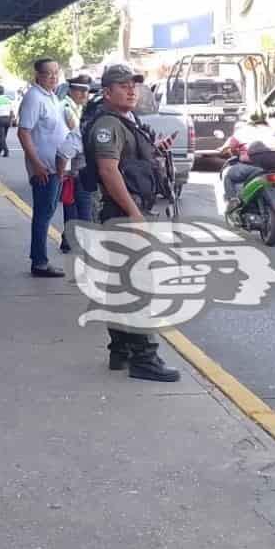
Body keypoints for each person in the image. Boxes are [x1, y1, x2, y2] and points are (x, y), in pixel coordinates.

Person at [84, 64, 180, 383]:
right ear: (107, 92)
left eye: (133, 85)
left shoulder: (127, 121)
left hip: (128, 211)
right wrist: (134, 214)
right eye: (123, 85)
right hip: (122, 213)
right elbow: (109, 170)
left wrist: (157, 150)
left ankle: (121, 350)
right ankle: (144, 357)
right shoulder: (108, 124)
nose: (131, 90)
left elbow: (131, 161)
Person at [17, 58, 70, 277]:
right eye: (49, 73)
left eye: (56, 73)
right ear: (37, 75)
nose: (53, 77)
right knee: (42, 215)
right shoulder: (33, 98)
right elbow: (24, 132)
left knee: (47, 213)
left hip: (56, 167)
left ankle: (39, 259)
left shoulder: (52, 98)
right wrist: (37, 164)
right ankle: (39, 262)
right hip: (44, 169)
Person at [58, 75, 94, 252]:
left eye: (86, 91)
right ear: (72, 90)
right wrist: (64, 171)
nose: (85, 95)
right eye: (82, 91)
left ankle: (69, 238)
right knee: (79, 203)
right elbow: (73, 136)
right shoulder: (67, 108)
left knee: (72, 203)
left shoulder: (77, 107)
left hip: (74, 162)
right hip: (73, 164)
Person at [0, 85, 14, 157]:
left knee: (1, 137)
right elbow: (11, 111)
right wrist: (11, 121)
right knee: (3, 137)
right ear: (3, 91)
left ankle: (6, 151)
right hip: (7, 118)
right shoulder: (7, 99)